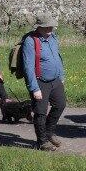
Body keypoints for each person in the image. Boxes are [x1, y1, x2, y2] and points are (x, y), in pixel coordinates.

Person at [22, 16, 66, 151]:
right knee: (40, 112)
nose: (50, 29)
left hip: (55, 80)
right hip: (39, 81)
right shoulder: (30, 41)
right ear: (39, 27)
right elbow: (28, 66)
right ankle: (42, 142)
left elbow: (57, 56)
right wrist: (34, 88)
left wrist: (61, 75)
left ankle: (49, 132)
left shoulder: (53, 37)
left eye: (51, 26)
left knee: (60, 104)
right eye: (47, 26)